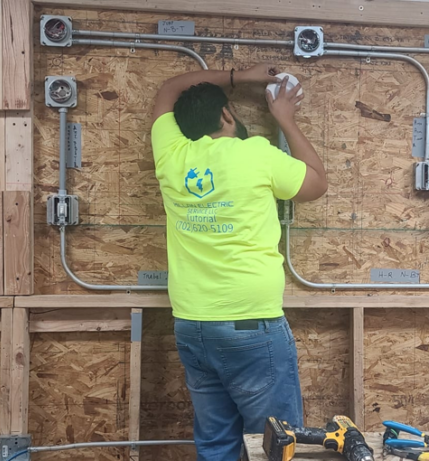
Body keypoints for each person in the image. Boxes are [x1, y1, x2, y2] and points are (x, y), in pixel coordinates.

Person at [149, 63, 328, 461]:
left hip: (192, 324)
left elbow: (167, 88)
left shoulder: (171, 154)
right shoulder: (256, 154)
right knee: (278, 444)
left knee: (215, 443)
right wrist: (283, 117)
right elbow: (316, 181)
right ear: (227, 115)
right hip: (251, 324)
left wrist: (238, 76)